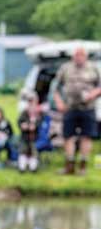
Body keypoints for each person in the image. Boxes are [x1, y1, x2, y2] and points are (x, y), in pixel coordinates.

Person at [53, 46, 101, 175]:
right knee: (68, 136)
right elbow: (55, 87)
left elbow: (100, 86)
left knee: (87, 136)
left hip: (88, 108)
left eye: (81, 55)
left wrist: (93, 94)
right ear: (73, 56)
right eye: (76, 55)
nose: (78, 58)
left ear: (85, 56)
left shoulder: (94, 68)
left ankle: (83, 166)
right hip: (70, 108)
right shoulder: (66, 68)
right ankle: (69, 165)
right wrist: (59, 102)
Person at [17, 93, 42, 173]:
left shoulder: (39, 114)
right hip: (25, 137)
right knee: (23, 148)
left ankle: (33, 166)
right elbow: (20, 123)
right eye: (30, 102)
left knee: (34, 149)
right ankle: (22, 166)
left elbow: (39, 124)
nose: (31, 104)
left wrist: (34, 125)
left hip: (36, 138)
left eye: (33, 102)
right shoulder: (24, 113)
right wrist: (25, 125)